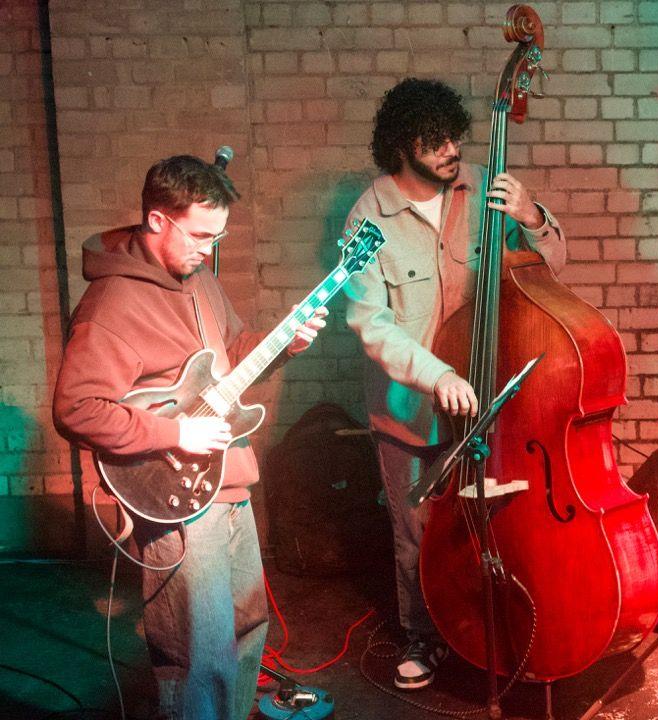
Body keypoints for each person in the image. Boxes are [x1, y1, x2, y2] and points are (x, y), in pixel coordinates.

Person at [52, 155, 326, 720]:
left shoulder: (198, 277)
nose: (210, 249)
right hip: (173, 495)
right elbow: (76, 408)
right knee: (199, 650)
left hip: (228, 478)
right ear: (158, 220)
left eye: (218, 236)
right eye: (201, 235)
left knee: (248, 625)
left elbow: (229, 357)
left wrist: (285, 344)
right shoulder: (111, 306)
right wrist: (175, 430)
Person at [343, 78, 566, 689]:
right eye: (435, 142)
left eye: (454, 138)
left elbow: (554, 269)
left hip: (493, 398)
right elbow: (369, 320)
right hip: (409, 407)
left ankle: (497, 626)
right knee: (417, 529)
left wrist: (532, 216)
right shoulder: (368, 216)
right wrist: (435, 373)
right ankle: (425, 634)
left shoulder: (485, 188)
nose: (451, 152)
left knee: (499, 517)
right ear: (402, 145)